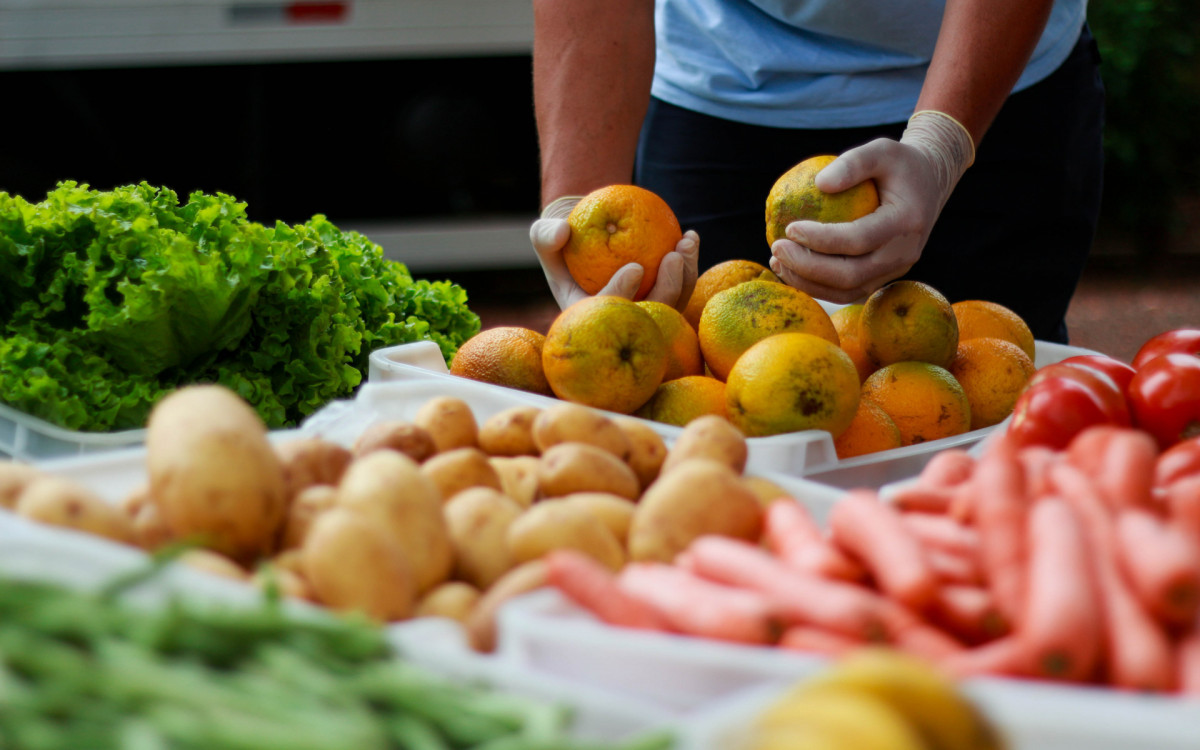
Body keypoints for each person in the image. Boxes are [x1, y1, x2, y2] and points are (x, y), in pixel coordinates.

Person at [528, 0, 1104, 344]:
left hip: (989, 83)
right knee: (707, 396)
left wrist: (942, 146)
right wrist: (575, 210)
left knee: (993, 400)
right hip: (724, 82)